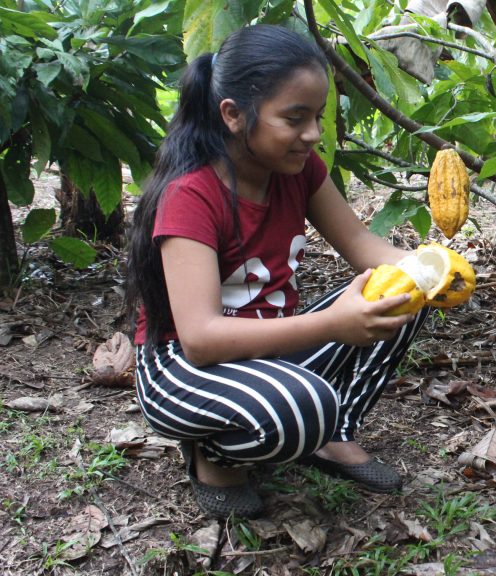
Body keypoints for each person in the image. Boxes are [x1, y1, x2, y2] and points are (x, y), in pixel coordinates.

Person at [125, 24, 427, 519]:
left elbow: (359, 244)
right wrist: (333, 325)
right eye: (294, 118)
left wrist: (431, 268)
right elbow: (200, 338)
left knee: (404, 292)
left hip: (267, 346)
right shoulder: (191, 196)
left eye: (318, 117)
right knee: (303, 406)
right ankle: (213, 457)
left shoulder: (299, 170)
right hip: (182, 368)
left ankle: (333, 434)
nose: (313, 134)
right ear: (233, 114)